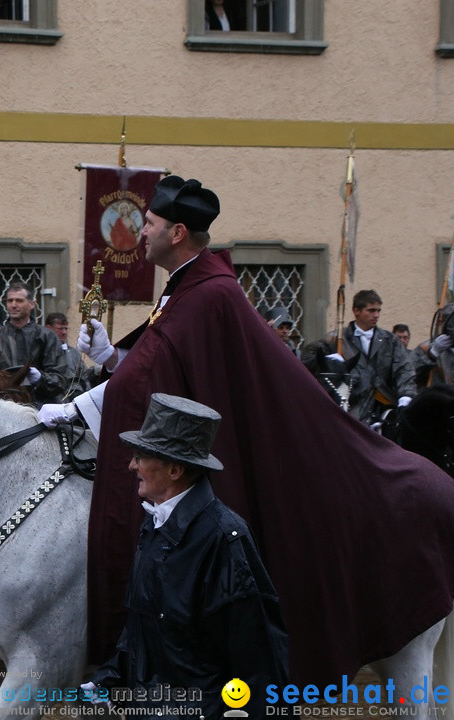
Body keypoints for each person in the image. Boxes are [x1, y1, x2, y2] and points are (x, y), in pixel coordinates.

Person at [36, 174, 454, 686]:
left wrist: (79, 406)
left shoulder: (209, 293)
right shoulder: (188, 286)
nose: (140, 233)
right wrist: (110, 355)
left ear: (178, 232)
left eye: (149, 224)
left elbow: (153, 373)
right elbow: (161, 359)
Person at [87, 393, 288, 718]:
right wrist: (107, 682)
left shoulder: (224, 539)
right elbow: (141, 633)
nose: (131, 465)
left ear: (175, 469)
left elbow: (259, 663)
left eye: (141, 455)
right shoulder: (154, 524)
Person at [0, 282, 69, 407]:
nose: (13, 305)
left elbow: (61, 379)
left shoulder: (46, 336)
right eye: (10, 301)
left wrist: (40, 378)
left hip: (41, 406)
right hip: (2, 405)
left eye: (19, 301)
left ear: (31, 304)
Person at [325, 289, 416, 427]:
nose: (376, 315)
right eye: (371, 310)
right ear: (356, 311)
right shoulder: (337, 339)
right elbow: (310, 360)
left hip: (385, 404)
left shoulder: (390, 340)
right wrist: (330, 363)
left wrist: (406, 396)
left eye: (378, 311)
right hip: (350, 407)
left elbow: (404, 369)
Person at [45, 311, 93, 397]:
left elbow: (84, 376)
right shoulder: (44, 352)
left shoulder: (74, 352)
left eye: (66, 329)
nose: (64, 332)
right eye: (60, 329)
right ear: (48, 328)